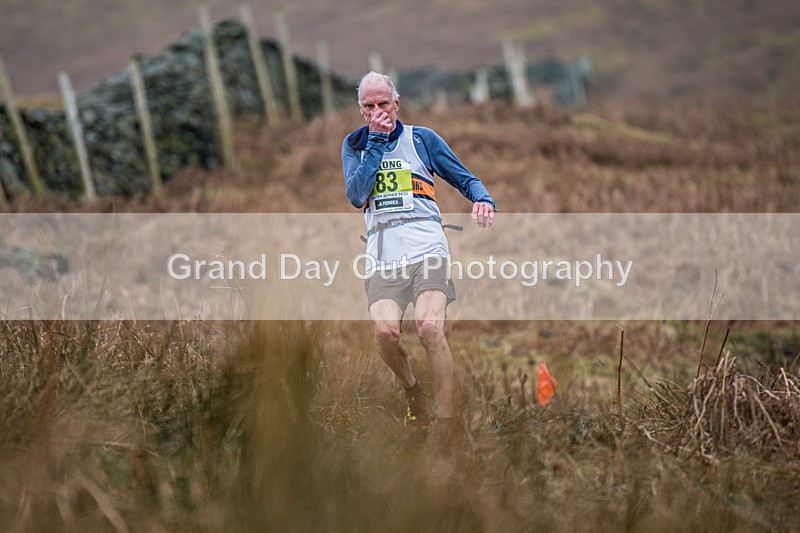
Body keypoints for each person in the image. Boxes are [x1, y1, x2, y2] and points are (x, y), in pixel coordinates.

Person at [341, 71, 496, 441]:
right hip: (383, 253)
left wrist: (483, 199)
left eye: (383, 103)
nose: (378, 111)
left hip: (427, 247)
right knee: (385, 332)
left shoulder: (422, 139)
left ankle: (447, 421)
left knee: (429, 327)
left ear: (397, 103)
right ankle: (413, 391)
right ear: (361, 110)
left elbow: (467, 179)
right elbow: (357, 195)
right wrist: (376, 143)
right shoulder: (354, 145)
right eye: (369, 106)